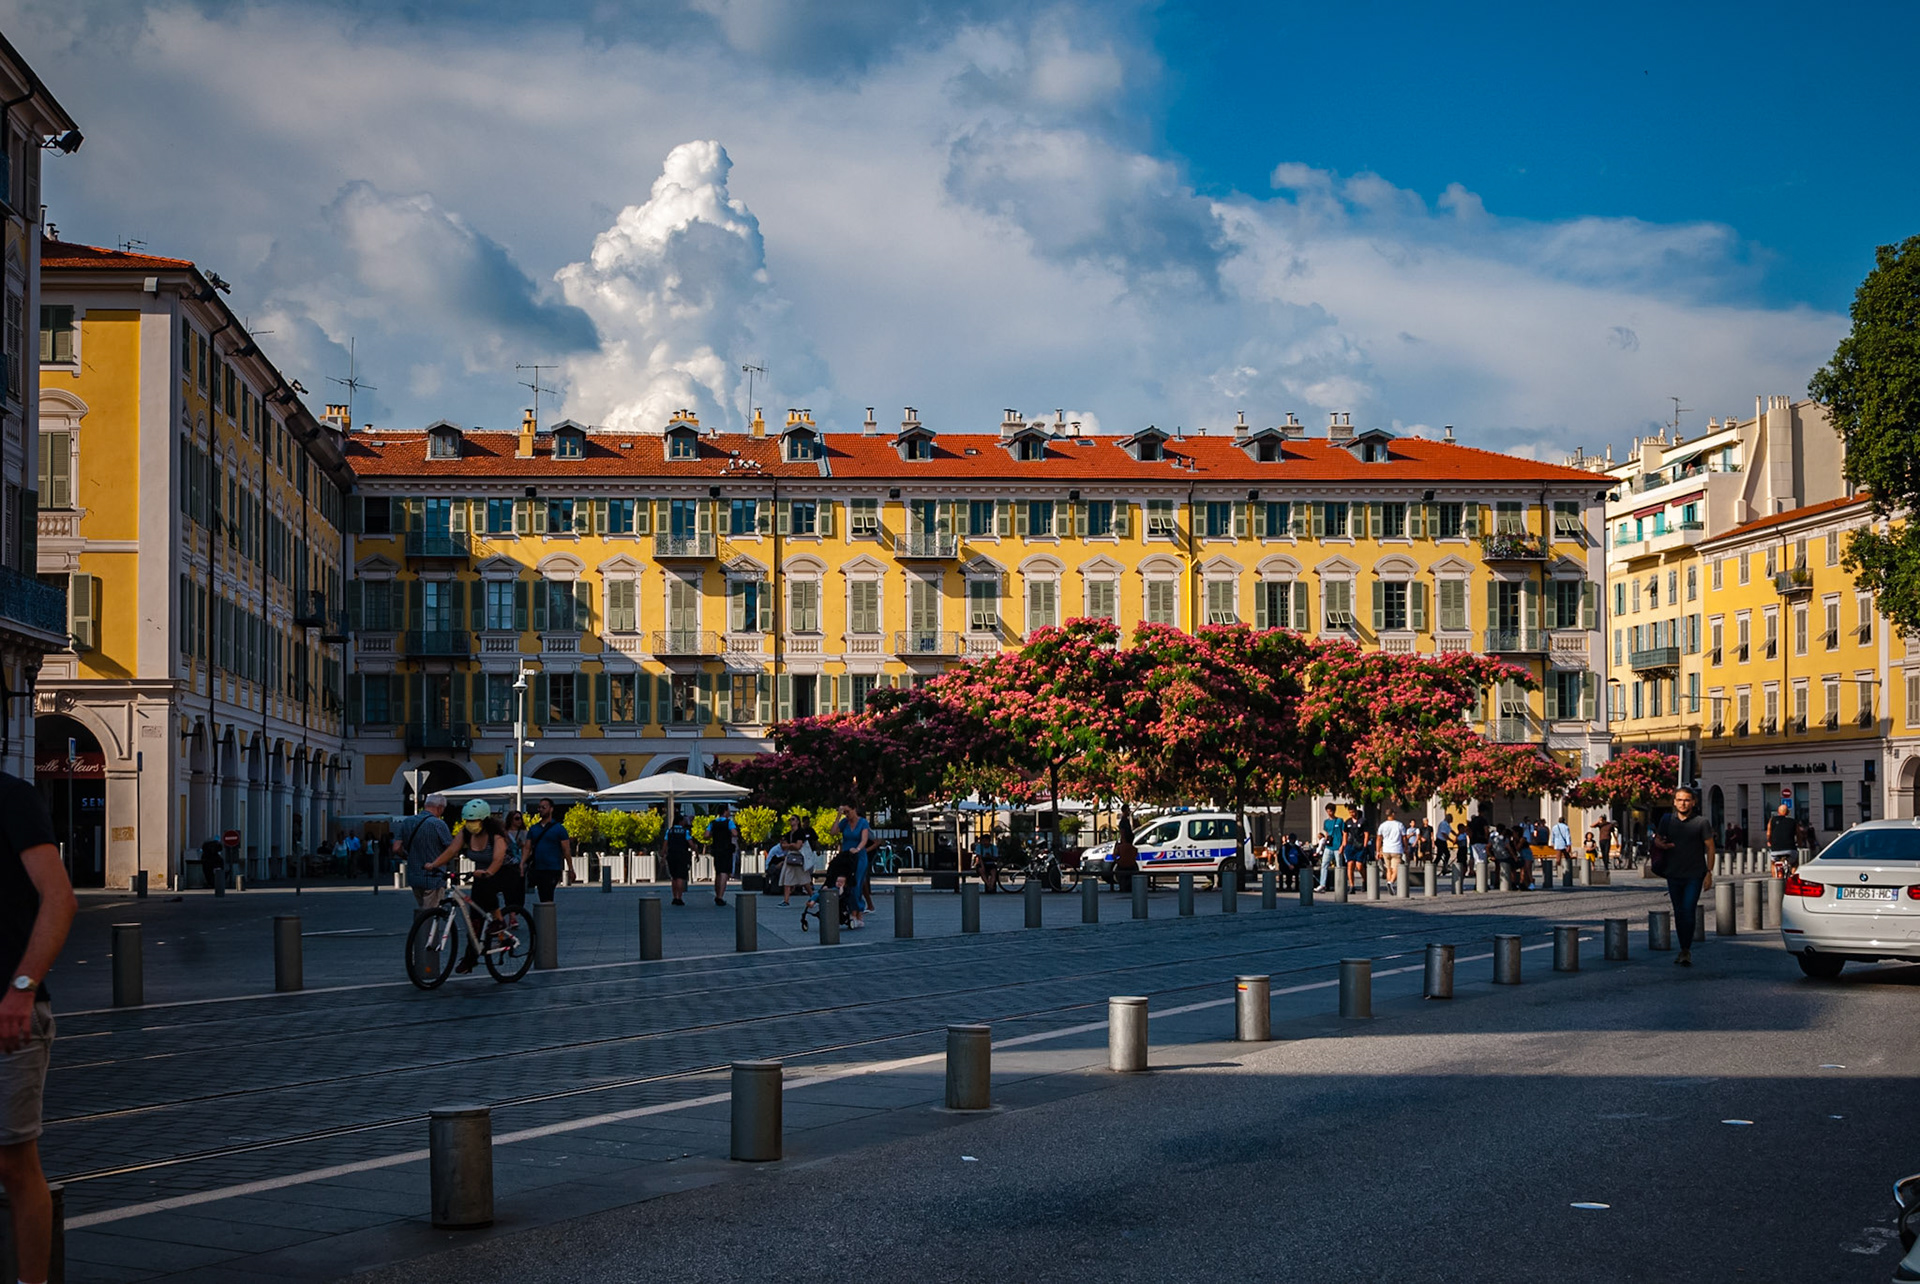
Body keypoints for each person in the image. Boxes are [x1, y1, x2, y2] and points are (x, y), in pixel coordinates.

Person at [1, 769, 77, 1284]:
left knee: (12, 1162)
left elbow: (60, 898)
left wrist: (22, 987)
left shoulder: (12, 798)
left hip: (9, 1012)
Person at [426, 799, 515, 974]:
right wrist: (434, 864)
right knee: (474, 919)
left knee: (487, 888)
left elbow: (498, 859)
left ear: (484, 820)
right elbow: (452, 850)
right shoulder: (466, 833)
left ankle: (499, 921)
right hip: (480, 873)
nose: (471, 824)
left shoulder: (496, 835)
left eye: (474, 821)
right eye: (468, 821)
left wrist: (488, 872)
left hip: (505, 870)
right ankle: (470, 958)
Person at [1652, 786, 1715, 967]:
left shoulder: (1701, 822)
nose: (1683, 803)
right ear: (1674, 802)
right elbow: (1657, 839)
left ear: (1693, 802)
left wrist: (1709, 872)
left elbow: (1710, 847)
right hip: (1673, 873)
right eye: (1679, 800)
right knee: (1679, 912)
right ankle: (1683, 948)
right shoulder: (1667, 820)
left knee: (1688, 910)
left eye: (1687, 800)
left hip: (1694, 874)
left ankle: (1686, 949)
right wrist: (1660, 844)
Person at [399, 792, 455, 911]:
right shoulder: (438, 824)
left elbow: (396, 847)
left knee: (422, 909)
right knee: (431, 913)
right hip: (434, 876)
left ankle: (421, 922)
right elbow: (451, 849)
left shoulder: (407, 822)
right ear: (440, 808)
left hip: (414, 875)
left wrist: (407, 856)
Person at [833, 804, 874, 929]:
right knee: (847, 885)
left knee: (856, 883)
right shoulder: (844, 822)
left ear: (854, 809)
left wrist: (858, 849)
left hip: (859, 856)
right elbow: (833, 832)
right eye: (844, 812)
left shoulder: (863, 822)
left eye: (848, 811)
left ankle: (857, 912)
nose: (847, 815)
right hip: (847, 857)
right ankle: (853, 912)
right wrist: (838, 816)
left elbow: (864, 839)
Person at [525, 798, 572, 904]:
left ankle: (547, 912)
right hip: (538, 867)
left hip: (553, 868)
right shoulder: (534, 829)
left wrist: (570, 868)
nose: (541, 810)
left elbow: (566, 849)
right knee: (542, 894)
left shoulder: (559, 828)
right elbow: (527, 848)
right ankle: (546, 911)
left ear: (551, 809)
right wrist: (522, 863)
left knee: (547, 893)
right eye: (539, 807)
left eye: (544, 807)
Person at [776, 826, 813, 906]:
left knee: (805, 881)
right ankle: (786, 900)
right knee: (787, 879)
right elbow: (783, 846)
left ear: (797, 821)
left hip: (799, 858)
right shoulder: (788, 834)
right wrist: (792, 845)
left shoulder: (800, 833)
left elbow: (797, 846)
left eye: (793, 820)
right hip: (790, 858)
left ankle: (813, 897)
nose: (791, 822)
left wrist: (789, 845)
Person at [708, 806, 738, 906]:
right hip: (726, 850)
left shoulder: (713, 823)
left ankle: (717, 894)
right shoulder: (729, 822)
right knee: (724, 873)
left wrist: (714, 834)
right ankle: (720, 896)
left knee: (718, 873)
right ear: (725, 811)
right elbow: (734, 833)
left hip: (716, 850)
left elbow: (706, 835)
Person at [663, 807, 693, 905]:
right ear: (680, 822)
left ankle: (674, 896)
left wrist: (663, 854)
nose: (685, 822)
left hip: (671, 855)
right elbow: (691, 843)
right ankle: (679, 897)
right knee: (681, 877)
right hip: (682, 856)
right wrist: (696, 851)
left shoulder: (669, 831)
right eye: (683, 821)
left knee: (674, 877)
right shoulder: (685, 832)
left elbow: (665, 844)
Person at [1766, 801, 1799, 877]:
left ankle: (1775, 879)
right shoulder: (1793, 821)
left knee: (1773, 863)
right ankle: (1793, 876)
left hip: (1775, 849)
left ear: (1778, 812)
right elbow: (1799, 834)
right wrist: (1800, 843)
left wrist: (1769, 842)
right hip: (1790, 849)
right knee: (1795, 863)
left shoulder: (1772, 820)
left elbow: (1768, 834)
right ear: (1788, 812)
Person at [1316, 804, 1342, 892]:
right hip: (1329, 846)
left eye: (1330, 811)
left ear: (1334, 811)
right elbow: (1327, 833)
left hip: (1337, 846)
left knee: (1339, 866)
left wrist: (1342, 845)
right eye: (1327, 811)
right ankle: (1322, 884)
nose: (1329, 813)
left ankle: (1340, 885)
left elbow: (1344, 833)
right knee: (1324, 864)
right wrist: (1325, 842)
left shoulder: (1339, 821)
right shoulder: (1326, 822)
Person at [1376, 812, 1405, 888]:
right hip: (1396, 849)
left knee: (1388, 869)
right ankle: (1391, 882)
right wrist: (1406, 848)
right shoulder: (1399, 824)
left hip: (1386, 849)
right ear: (1393, 814)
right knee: (1396, 869)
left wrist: (1378, 851)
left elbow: (1378, 839)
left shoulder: (1382, 825)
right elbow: (1404, 837)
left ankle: (1389, 883)